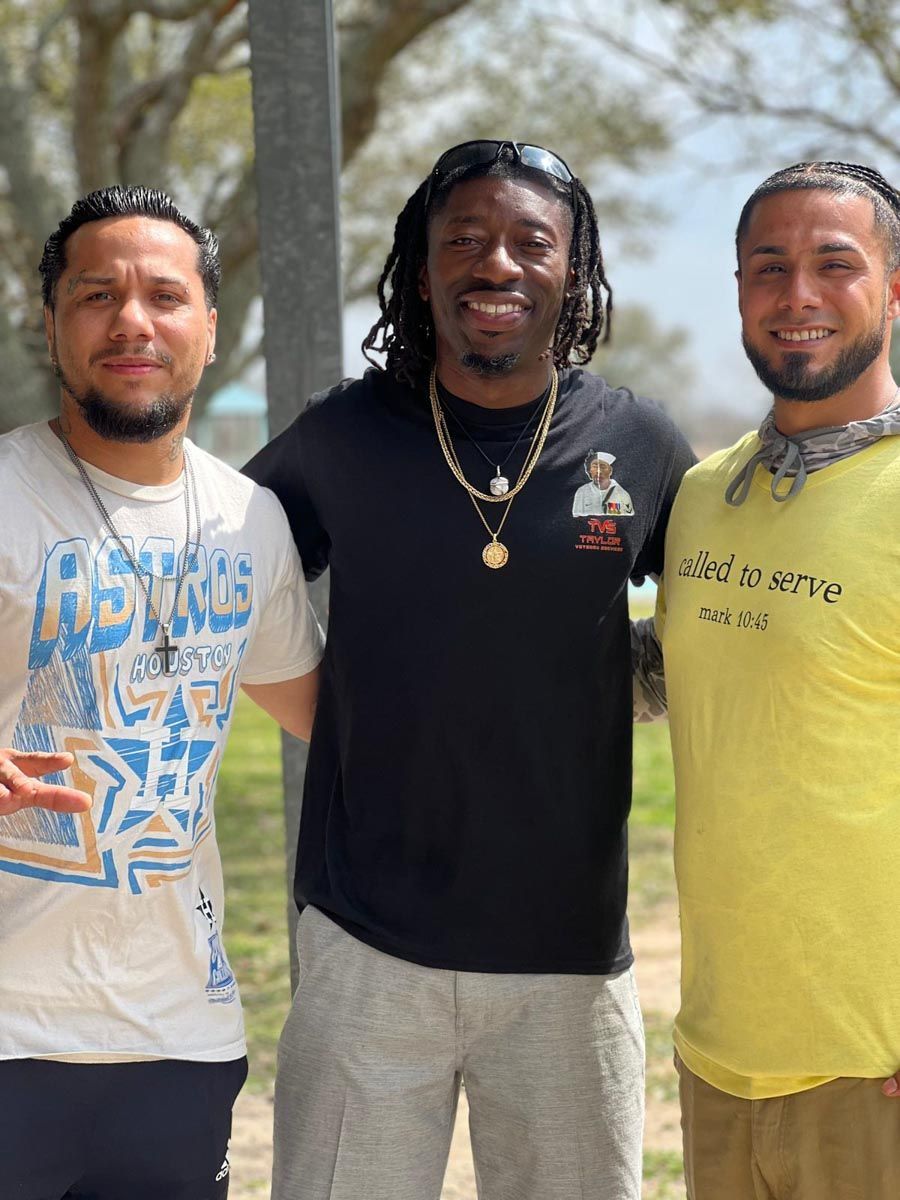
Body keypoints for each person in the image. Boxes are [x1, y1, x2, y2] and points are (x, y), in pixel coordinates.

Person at [245, 139, 695, 1200]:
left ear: (573, 274)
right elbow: (225, 578)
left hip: (570, 963)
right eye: (465, 240)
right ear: (420, 271)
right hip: (367, 951)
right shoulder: (342, 439)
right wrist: (351, 717)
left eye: (532, 242)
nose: (497, 264)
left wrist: (612, 688)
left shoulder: (638, 444)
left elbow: (727, 626)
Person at [0, 185, 323, 1200]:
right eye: (96, 295)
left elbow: (336, 719)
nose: (132, 321)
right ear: (50, 324)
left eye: (163, 296)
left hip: (181, 1036)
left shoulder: (250, 520)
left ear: (210, 328)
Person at [655, 161, 900, 1199]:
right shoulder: (706, 495)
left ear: (893, 286)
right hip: (719, 1051)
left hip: (872, 1067)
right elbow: (669, 678)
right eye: (768, 267)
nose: (796, 295)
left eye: (833, 264)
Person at [572, 449, 635, 516]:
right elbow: (576, 520)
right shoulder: (582, 492)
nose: (598, 471)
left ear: (610, 470)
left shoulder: (622, 495)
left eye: (603, 466)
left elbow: (629, 521)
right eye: (595, 466)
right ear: (590, 470)